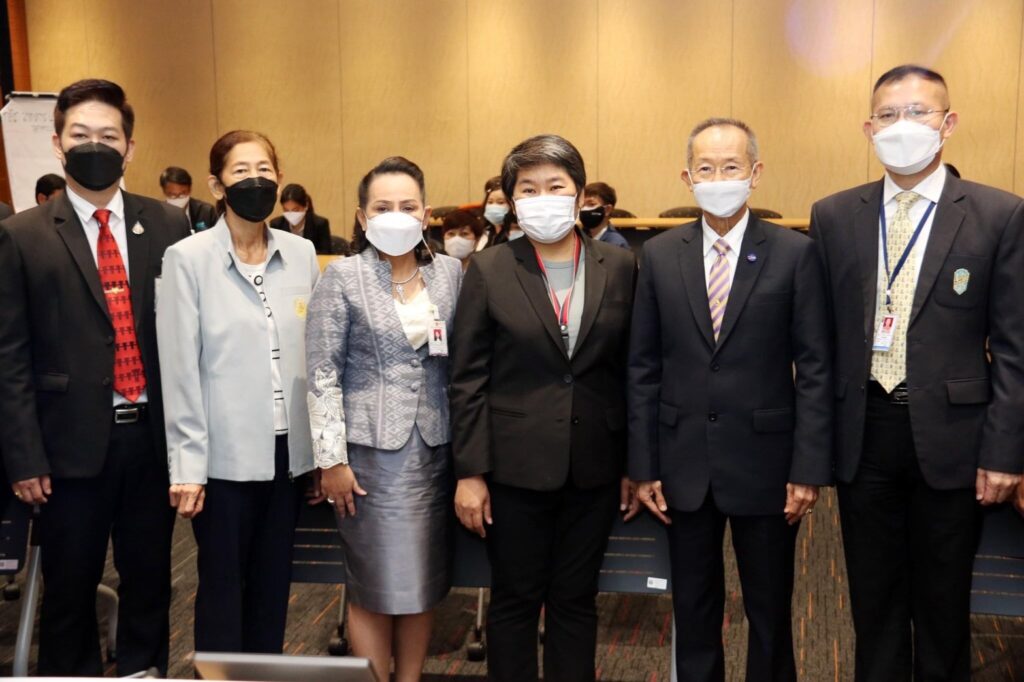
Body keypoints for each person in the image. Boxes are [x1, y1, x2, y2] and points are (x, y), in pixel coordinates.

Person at [809, 64, 1024, 681]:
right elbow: (818, 345)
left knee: (942, 605)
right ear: (869, 128)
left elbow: (1014, 348)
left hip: (956, 438)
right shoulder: (833, 216)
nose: (902, 125)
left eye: (918, 112)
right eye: (888, 114)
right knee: (872, 602)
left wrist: (1005, 452)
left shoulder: (998, 214)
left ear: (947, 123)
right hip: (864, 433)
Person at [628, 118, 831, 682]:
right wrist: (643, 465)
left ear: (755, 173)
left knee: (769, 610)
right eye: (706, 169)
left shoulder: (795, 253)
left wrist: (808, 468)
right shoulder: (660, 255)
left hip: (768, 463)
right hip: (682, 463)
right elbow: (642, 366)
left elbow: (815, 368)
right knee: (693, 609)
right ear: (687, 177)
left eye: (732, 167)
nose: (719, 179)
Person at [0, 78, 189, 676]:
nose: (95, 146)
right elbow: (9, 355)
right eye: (81, 134)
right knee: (69, 594)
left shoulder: (169, 226)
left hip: (151, 441)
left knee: (150, 584)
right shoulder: (22, 235)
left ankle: (143, 672)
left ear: (130, 148)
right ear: (58, 143)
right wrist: (24, 457)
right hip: (65, 449)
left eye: (109, 136)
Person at [450, 134, 639, 682]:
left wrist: (634, 462)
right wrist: (470, 472)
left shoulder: (620, 266)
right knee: (514, 600)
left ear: (579, 193)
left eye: (555, 185)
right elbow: (467, 378)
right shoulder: (489, 268)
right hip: (513, 468)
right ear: (512, 200)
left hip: (595, 464)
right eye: (528, 189)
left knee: (576, 601)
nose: (543, 198)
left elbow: (632, 371)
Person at [157, 130, 322, 655]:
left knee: (274, 588)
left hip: (287, 454)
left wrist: (319, 453)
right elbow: (179, 369)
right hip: (221, 459)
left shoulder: (301, 252)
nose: (256, 180)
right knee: (224, 589)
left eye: (264, 170)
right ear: (217, 185)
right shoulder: (187, 258)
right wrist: (186, 467)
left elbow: (316, 357)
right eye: (241, 171)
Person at [306, 156, 462, 682]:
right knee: (373, 587)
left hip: (434, 452)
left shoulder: (450, 274)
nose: (396, 215)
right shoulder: (342, 278)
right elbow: (322, 374)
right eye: (382, 207)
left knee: (422, 584)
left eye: (408, 206)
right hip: (367, 460)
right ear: (361, 216)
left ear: (426, 214)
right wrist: (332, 460)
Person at [269, 182, 333, 254]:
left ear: (306, 206)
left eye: (295, 210)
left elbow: (325, 253)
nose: (291, 214)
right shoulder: (276, 225)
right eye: (286, 210)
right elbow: (273, 252)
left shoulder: (320, 224)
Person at [159, 165, 218, 232]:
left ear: (190, 189)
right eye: (172, 195)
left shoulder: (206, 212)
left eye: (182, 194)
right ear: (164, 191)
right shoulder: (158, 215)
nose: (178, 199)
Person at [581, 182, 629, 249]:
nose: (584, 209)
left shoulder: (616, 244)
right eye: (583, 205)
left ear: (607, 210)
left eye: (591, 204)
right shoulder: (579, 238)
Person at [478, 175, 509, 249]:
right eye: (490, 202)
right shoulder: (486, 232)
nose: (493, 206)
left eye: (500, 202)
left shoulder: (514, 234)